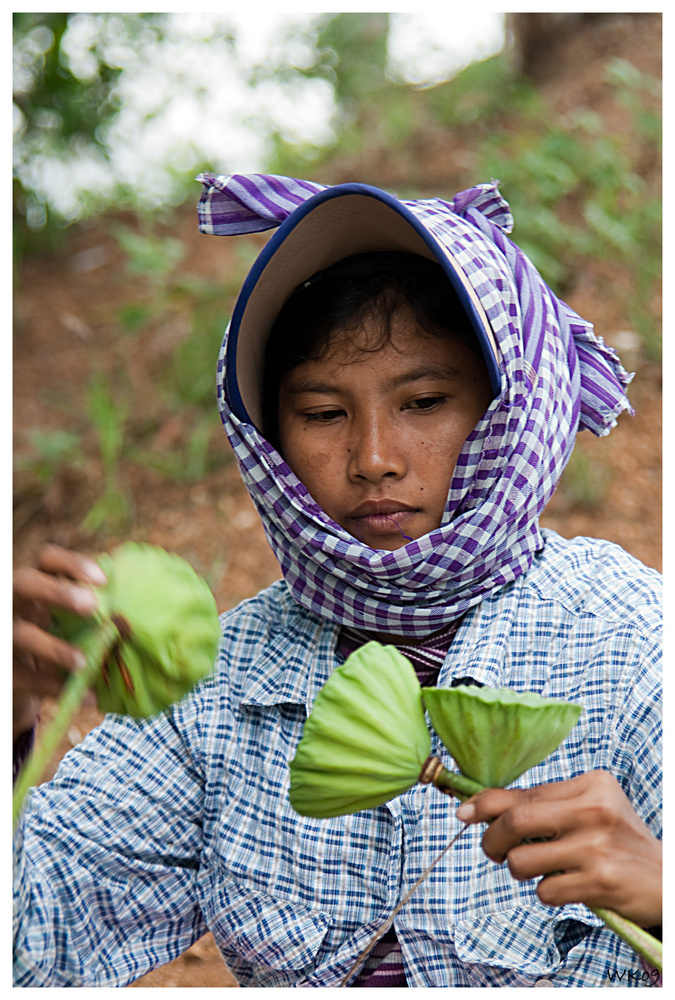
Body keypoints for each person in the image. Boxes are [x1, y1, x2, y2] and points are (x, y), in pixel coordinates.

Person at [13, 174, 661, 987]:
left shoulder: (635, 642)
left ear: (511, 406)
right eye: (323, 413)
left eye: (424, 401)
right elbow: (33, 943)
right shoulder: (220, 687)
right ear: (267, 433)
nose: (374, 458)